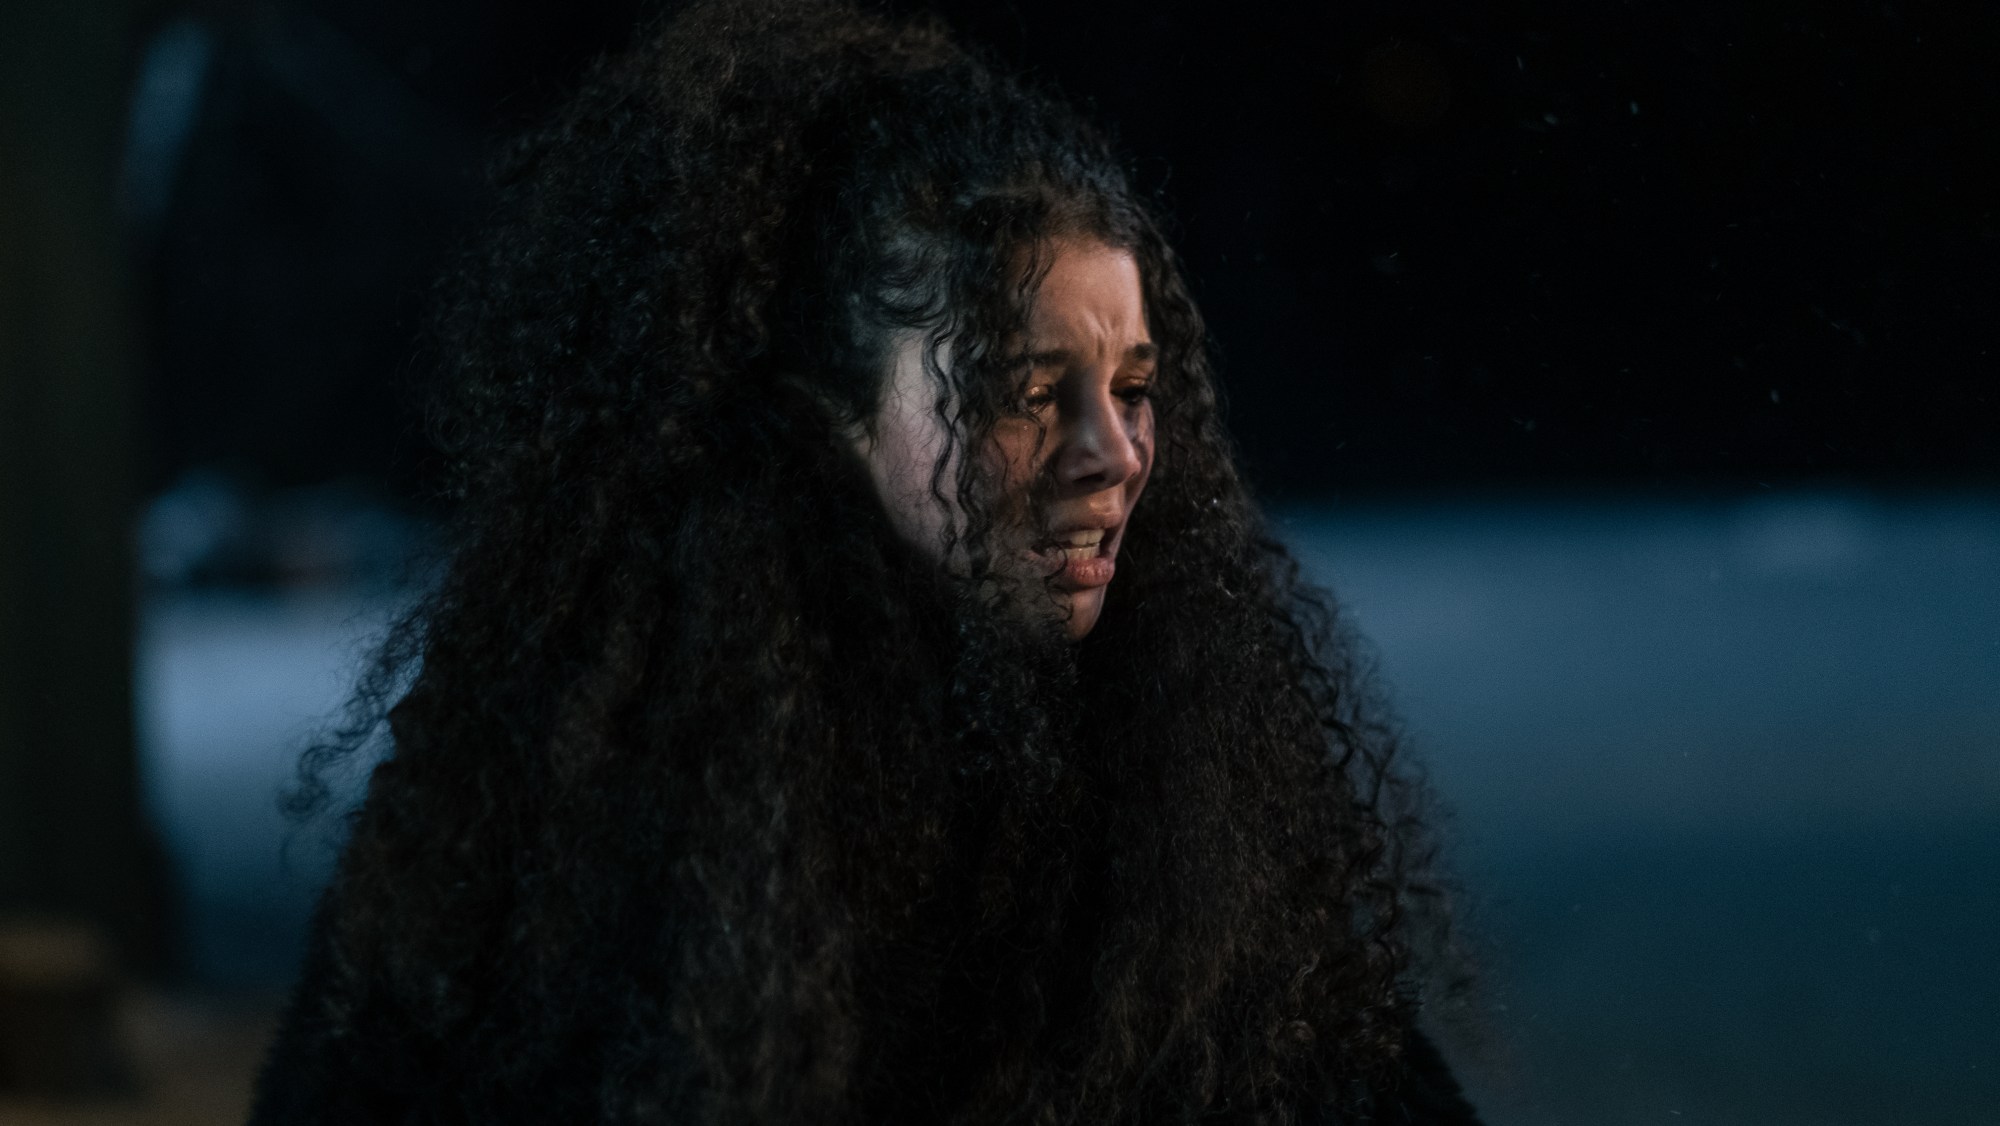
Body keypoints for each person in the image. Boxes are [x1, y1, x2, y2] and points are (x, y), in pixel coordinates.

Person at [248, 1, 1484, 1122]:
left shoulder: (1178, 774)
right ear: (822, 422)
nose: (1112, 456)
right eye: (1025, 392)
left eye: (1132, 387)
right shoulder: (560, 810)